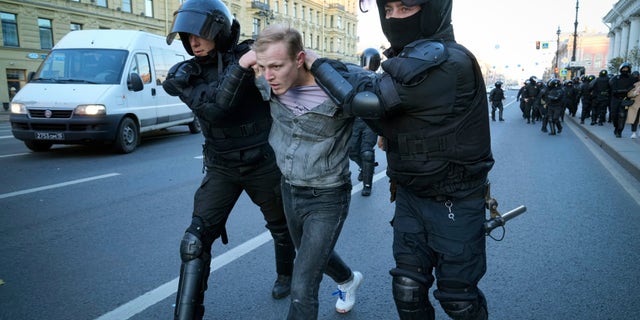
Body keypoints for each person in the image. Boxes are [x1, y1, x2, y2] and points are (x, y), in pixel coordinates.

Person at [304, 1, 495, 319]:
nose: (393, 17)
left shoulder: (449, 60)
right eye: (388, 9)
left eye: (406, 7)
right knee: (407, 290)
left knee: (458, 299)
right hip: (410, 194)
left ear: (433, 9)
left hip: (456, 199)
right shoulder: (405, 61)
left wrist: (317, 64)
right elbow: (378, 92)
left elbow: (370, 100)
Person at [162, 1, 296, 319]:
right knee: (194, 242)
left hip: (262, 162)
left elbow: (284, 70)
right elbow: (215, 110)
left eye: (200, 33)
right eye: (187, 35)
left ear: (219, 31)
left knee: (281, 228)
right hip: (221, 166)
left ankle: (286, 275)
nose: (193, 41)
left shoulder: (250, 56)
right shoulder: (187, 74)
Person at [235, 25, 363, 319]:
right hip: (290, 190)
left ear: (300, 58)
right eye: (263, 67)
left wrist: (319, 65)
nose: (268, 76)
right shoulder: (269, 85)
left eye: (277, 66)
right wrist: (244, 63)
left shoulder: (338, 91)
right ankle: (347, 279)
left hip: (328, 195)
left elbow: (378, 107)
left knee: (302, 285)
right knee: (313, 256)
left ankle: (341, 282)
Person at [350, 47, 382, 196]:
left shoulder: (381, 79)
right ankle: (365, 168)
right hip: (356, 119)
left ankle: (367, 184)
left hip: (371, 121)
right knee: (351, 151)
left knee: (367, 153)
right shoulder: (354, 74)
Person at [609, 63, 636, 137]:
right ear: (621, 69)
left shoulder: (632, 79)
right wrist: (626, 90)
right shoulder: (615, 78)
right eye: (624, 69)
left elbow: (636, 87)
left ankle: (619, 131)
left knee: (622, 115)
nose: (625, 70)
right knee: (614, 116)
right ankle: (616, 127)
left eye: (626, 69)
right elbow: (613, 90)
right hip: (615, 99)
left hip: (625, 100)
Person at [626, 71, 640, 138]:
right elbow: (629, 94)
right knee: (635, 119)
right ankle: (634, 133)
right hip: (635, 105)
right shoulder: (635, 84)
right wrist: (635, 93)